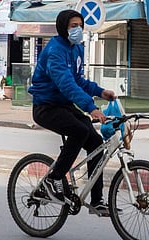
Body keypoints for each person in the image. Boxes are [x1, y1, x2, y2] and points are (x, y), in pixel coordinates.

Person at [28, 9, 116, 215]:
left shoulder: (77, 49)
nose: (78, 30)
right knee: (79, 131)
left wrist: (100, 92)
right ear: (63, 27)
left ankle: (96, 201)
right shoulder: (55, 50)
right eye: (73, 26)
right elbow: (65, 83)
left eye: (80, 26)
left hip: (64, 106)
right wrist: (91, 108)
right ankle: (54, 178)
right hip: (46, 106)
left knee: (95, 142)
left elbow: (78, 80)